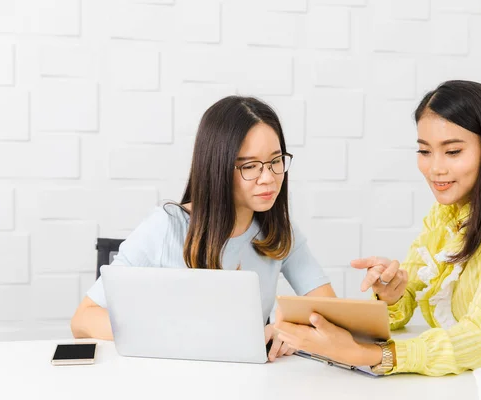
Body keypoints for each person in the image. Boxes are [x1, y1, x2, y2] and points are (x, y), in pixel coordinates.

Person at [275, 80, 481, 396]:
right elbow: (411, 291)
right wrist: (392, 292)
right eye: (425, 151)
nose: (435, 168)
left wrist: (368, 355)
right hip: (473, 377)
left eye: (453, 151)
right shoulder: (448, 211)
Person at [71, 96, 335, 361]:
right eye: (250, 166)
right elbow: (84, 319)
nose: (268, 178)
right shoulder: (166, 227)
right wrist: (174, 335)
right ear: (217, 168)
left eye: (276, 161)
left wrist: (287, 331)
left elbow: (330, 315)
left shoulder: (279, 232)